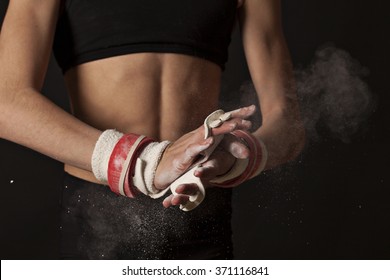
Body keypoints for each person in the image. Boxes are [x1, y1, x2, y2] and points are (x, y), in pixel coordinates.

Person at [0, 0, 305, 259]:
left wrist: (239, 156)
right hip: (99, 213)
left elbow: (288, 126)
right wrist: (146, 161)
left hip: (201, 204)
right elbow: (5, 101)